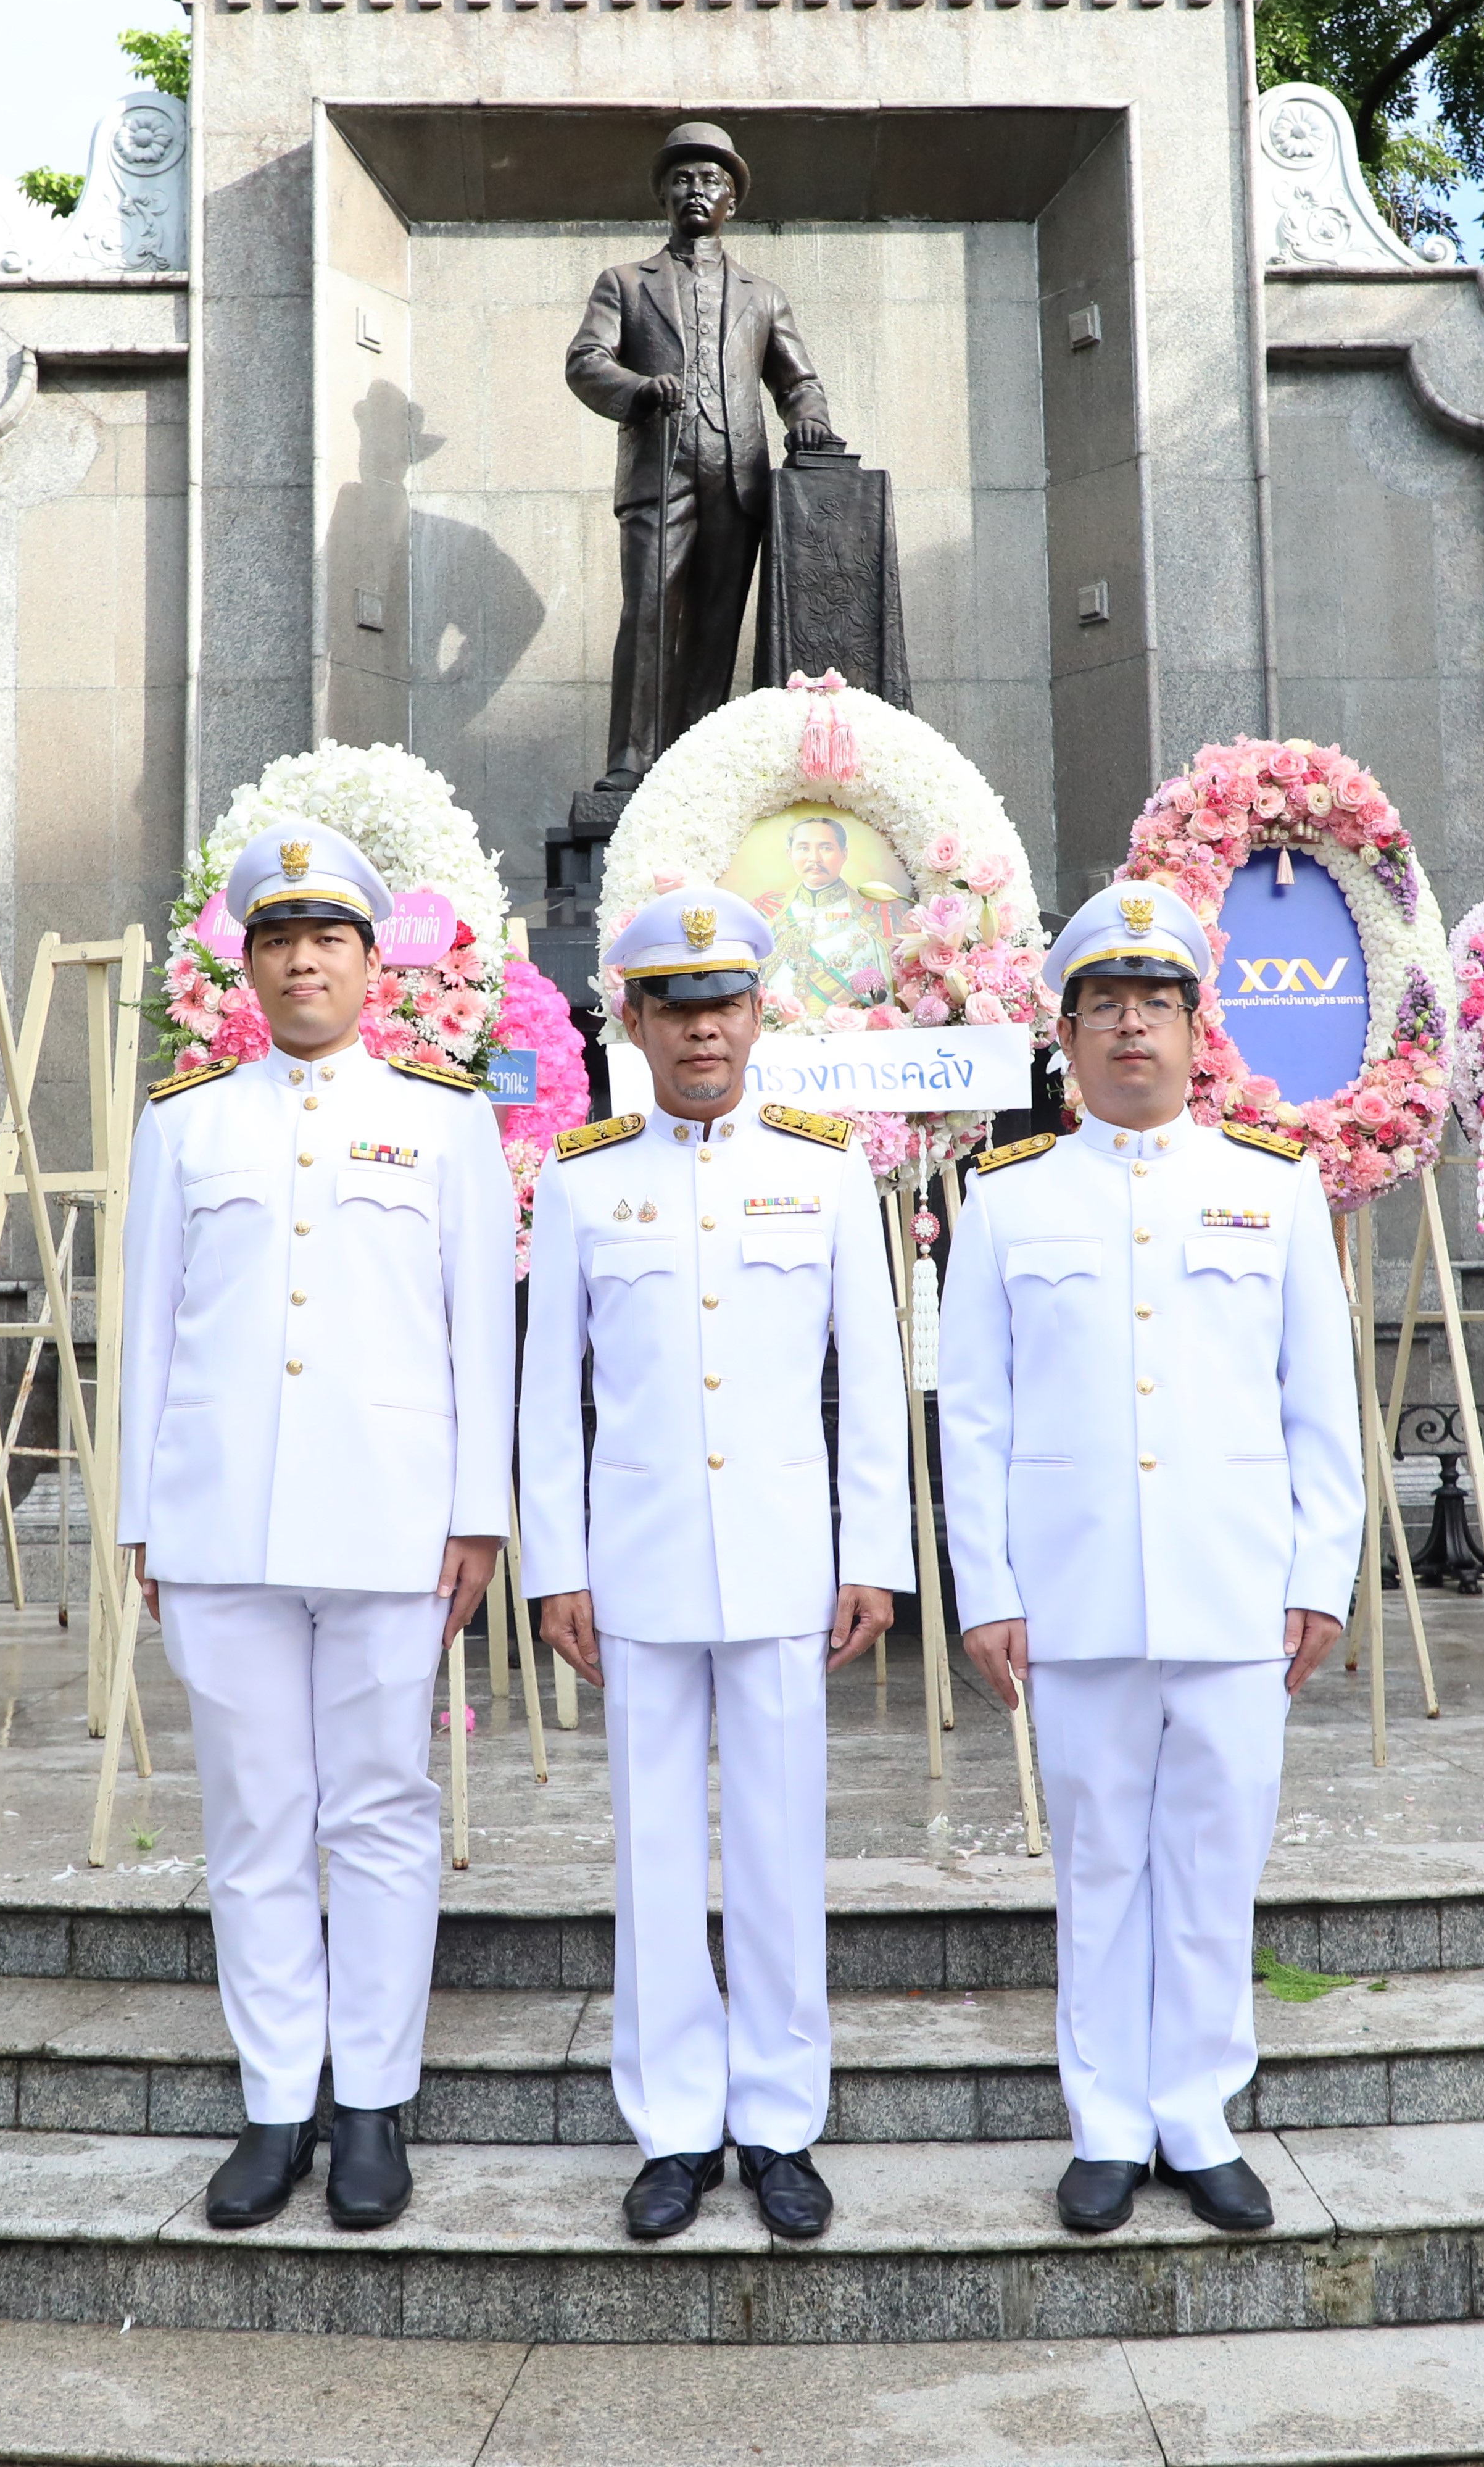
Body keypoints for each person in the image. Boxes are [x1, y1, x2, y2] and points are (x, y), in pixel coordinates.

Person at [936, 880, 1360, 2237]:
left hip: (1236, 1584)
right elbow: (976, 1412)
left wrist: (1319, 1575)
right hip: (1070, 1592)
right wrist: (986, 1588)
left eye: (1156, 1004)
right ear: (1063, 1033)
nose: (1132, 1028)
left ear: (1195, 1027)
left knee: (1216, 1851)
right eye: (1105, 1005)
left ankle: (1199, 2107)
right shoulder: (1004, 1200)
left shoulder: (1271, 1188)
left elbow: (1318, 1403)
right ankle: (1106, 2121)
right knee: (1100, 1859)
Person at [114, 820, 516, 2233]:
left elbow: (485, 1331)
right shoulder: (189, 1118)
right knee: (255, 1817)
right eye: (278, 938)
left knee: (384, 1809)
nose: (302, 960)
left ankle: (373, 2102)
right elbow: (148, 1329)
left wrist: (482, 1515)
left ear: (368, 960)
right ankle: (277, 2100)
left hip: (395, 1521)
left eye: (327, 938)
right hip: (220, 1517)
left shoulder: (443, 1114)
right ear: (250, 958)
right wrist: (139, 1521)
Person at [521, 889, 903, 2244]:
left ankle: (781, 2121)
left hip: (788, 1560)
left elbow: (872, 1373)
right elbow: (541, 1392)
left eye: (723, 1002)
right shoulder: (581, 1177)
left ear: (757, 1014)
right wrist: (551, 1566)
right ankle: (675, 2125)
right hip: (633, 1565)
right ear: (630, 1019)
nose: (701, 1028)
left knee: (783, 1845)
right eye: (673, 1006)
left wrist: (876, 1554)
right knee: (652, 1849)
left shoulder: (826, 1166)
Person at [565, 120, 839, 792]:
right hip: (661, 470)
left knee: (718, 626)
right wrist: (636, 390)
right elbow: (585, 362)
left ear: (731, 203)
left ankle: (696, 759)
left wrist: (808, 420)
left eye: (711, 180)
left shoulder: (763, 295)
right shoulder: (626, 283)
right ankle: (631, 759)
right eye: (683, 178)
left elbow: (798, 382)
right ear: (663, 197)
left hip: (738, 478)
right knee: (650, 611)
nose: (697, 189)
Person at [757, 813, 897, 1015]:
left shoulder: (877, 913)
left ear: (844, 854)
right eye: (804, 848)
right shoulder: (769, 911)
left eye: (826, 848)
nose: (814, 858)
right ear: (790, 854)